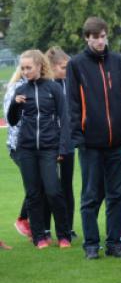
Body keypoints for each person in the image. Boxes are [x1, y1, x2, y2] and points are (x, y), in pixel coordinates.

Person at [68, 17, 121, 259]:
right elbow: (73, 103)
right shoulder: (76, 64)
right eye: (94, 37)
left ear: (107, 36)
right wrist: (78, 135)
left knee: (117, 194)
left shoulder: (118, 61)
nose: (99, 41)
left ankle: (114, 242)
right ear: (87, 38)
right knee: (91, 195)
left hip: (117, 142)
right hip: (90, 142)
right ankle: (91, 244)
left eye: (102, 36)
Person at [7, 50, 71, 249]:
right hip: (26, 149)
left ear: (39, 66)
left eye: (29, 67)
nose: (25, 71)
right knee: (33, 194)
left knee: (53, 191)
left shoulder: (53, 88)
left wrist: (62, 147)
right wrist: (14, 106)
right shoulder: (21, 90)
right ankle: (39, 236)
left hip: (49, 148)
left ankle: (63, 235)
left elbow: (65, 119)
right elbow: (12, 120)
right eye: (23, 68)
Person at [45, 46, 77, 238]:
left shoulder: (71, 85)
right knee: (49, 187)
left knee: (66, 186)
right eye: (64, 67)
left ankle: (68, 227)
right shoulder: (46, 86)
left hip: (69, 142)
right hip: (49, 142)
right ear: (52, 67)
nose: (67, 71)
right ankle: (46, 229)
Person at [3, 68, 31, 238]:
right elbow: (10, 118)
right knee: (37, 183)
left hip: (38, 144)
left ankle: (33, 224)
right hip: (20, 145)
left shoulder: (42, 86)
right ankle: (23, 218)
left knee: (42, 183)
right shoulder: (17, 88)